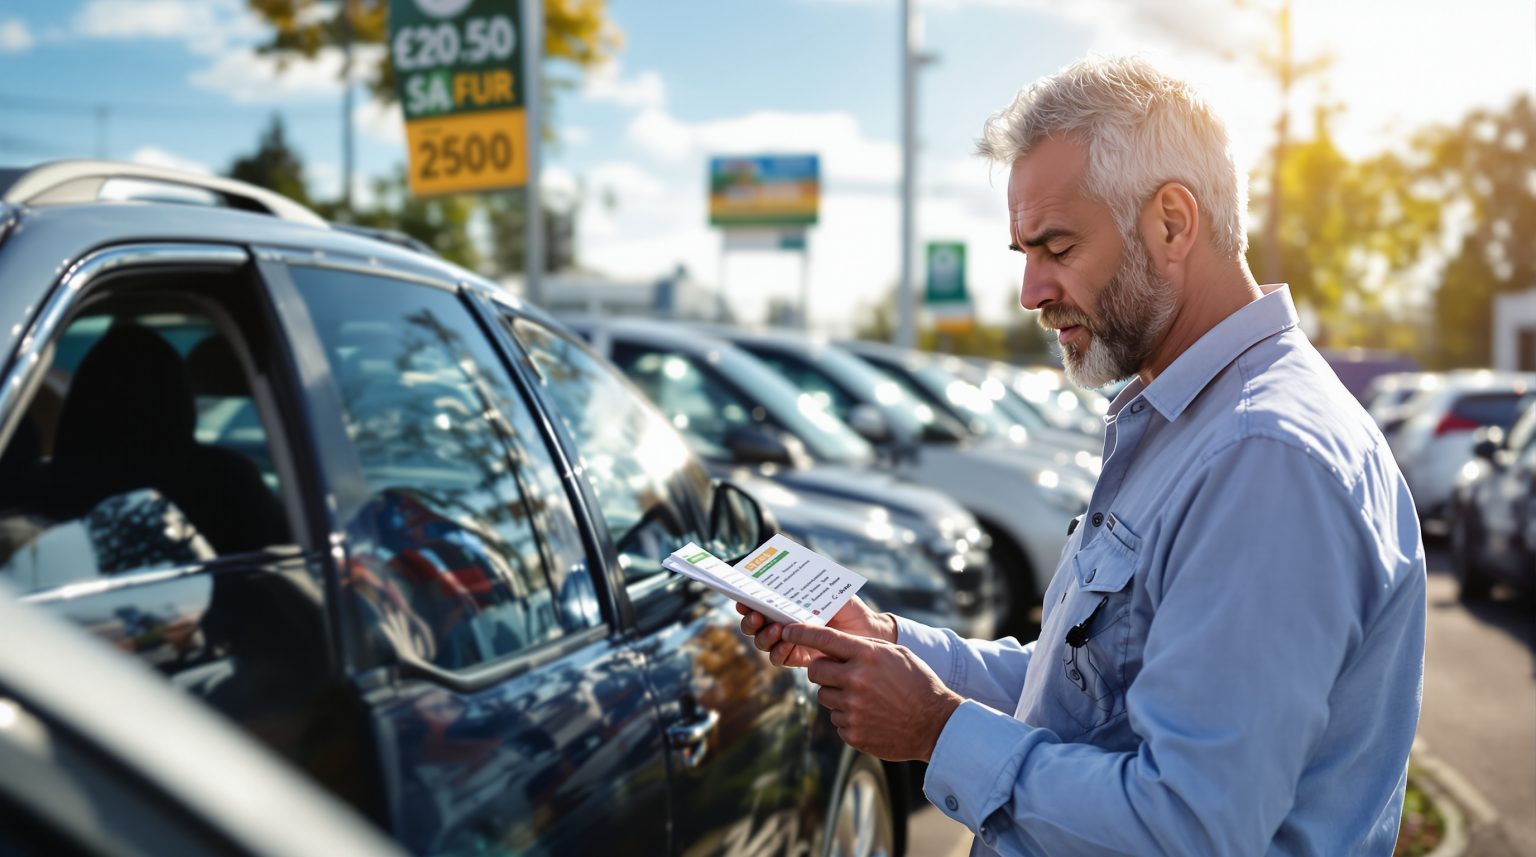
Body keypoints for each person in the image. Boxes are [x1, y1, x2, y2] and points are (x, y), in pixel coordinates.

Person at [738, 56, 1426, 856]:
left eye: (1057, 246)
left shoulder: (1263, 459)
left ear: (1172, 222)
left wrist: (936, 728)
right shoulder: (1188, 421)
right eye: (1023, 252)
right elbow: (1086, 693)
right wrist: (889, 642)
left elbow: (1191, 828)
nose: (1031, 291)